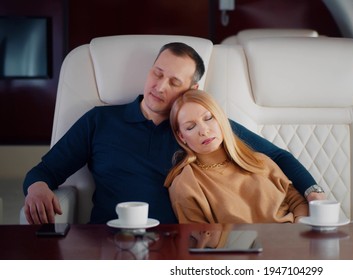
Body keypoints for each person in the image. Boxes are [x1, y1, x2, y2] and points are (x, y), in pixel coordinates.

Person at [23, 42, 325, 225]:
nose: (159, 86)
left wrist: (313, 193)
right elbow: (45, 170)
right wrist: (37, 186)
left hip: (181, 247)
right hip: (111, 238)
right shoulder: (99, 121)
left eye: (174, 82)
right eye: (157, 73)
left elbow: (276, 155)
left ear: (192, 90)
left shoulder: (200, 128)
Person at [164, 89, 308, 224]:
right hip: (242, 249)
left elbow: (298, 201)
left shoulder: (260, 161)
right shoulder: (186, 183)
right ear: (181, 136)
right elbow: (199, 238)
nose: (204, 130)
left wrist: (298, 229)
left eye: (208, 118)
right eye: (190, 127)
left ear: (220, 118)